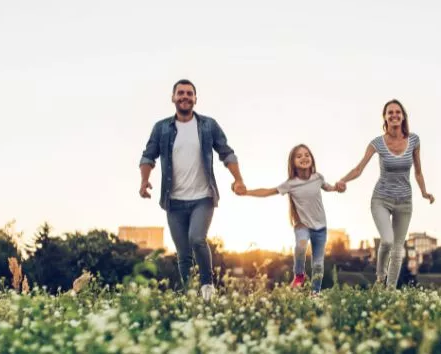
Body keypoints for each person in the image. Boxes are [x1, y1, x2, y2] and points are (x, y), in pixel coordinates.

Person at [139, 79, 246, 301]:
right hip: (174, 200)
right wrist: (144, 181)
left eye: (189, 93)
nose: (185, 97)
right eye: (180, 93)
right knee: (184, 255)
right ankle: (190, 294)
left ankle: (207, 287)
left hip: (203, 197)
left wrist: (238, 179)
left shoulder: (209, 125)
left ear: (195, 99)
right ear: (173, 98)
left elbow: (226, 152)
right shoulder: (161, 128)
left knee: (197, 239)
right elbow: (148, 156)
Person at [335, 99, 435, 288]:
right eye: (390, 112)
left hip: (404, 202)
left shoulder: (414, 140)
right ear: (385, 118)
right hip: (381, 199)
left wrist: (424, 192)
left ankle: (389, 292)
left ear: (403, 116)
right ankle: (380, 276)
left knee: (398, 250)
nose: (394, 115)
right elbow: (359, 168)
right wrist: (343, 180)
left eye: (398, 112)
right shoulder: (377, 143)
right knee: (387, 240)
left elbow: (418, 171)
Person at [237, 144, 340, 294]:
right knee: (301, 245)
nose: (304, 158)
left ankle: (315, 293)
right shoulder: (290, 184)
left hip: (320, 227)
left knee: (318, 264)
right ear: (293, 163)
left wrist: (337, 187)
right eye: (299, 156)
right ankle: (299, 274)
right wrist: (246, 192)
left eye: (307, 155)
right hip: (302, 224)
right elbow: (268, 191)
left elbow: (329, 187)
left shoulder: (318, 177)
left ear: (312, 158)